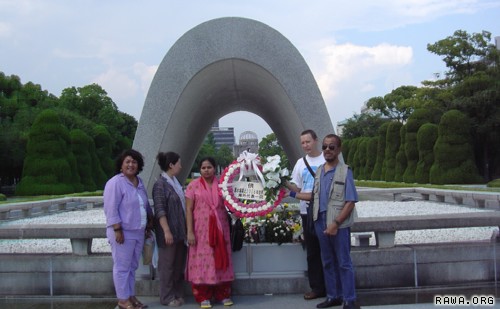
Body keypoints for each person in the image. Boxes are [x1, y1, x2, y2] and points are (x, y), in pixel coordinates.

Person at [104, 149, 153, 309]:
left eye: (134, 162)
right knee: (122, 267)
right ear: (121, 165)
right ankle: (122, 300)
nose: (131, 165)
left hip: (138, 231)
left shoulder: (139, 182)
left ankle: (131, 296)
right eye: (128, 162)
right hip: (123, 233)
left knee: (132, 267)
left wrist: (149, 224)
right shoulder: (115, 183)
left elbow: (144, 205)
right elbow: (111, 208)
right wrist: (117, 229)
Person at [185, 157, 234, 309]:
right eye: (203, 168)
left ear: (215, 168)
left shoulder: (222, 186)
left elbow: (232, 204)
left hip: (220, 230)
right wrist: (190, 232)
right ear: (200, 170)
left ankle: (222, 293)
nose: (206, 170)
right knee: (202, 262)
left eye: (209, 167)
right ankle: (203, 296)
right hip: (200, 232)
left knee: (220, 258)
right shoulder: (193, 186)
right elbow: (188, 210)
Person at [287, 129, 326, 300]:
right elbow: (297, 187)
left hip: (324, 212)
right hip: (307, 212)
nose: (305, 145)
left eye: (308, 142)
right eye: (302, 142)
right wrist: (281, 181)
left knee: (328, 251)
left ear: (316, 140)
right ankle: (317, 288)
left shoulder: (326, 158)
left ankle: (332, 287)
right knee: (312, 252)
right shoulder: (300, 163)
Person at [152, 152, 187, 307]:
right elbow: (160, 209)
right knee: (167, 265)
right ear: (171, 165)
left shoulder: (176, 182)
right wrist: (166, 230)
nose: (181, 166)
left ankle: (177, 293)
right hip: (168, 233)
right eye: (179, 163)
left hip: (180, 232)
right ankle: (166, 297)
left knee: (179, 264)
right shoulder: (160, 184)